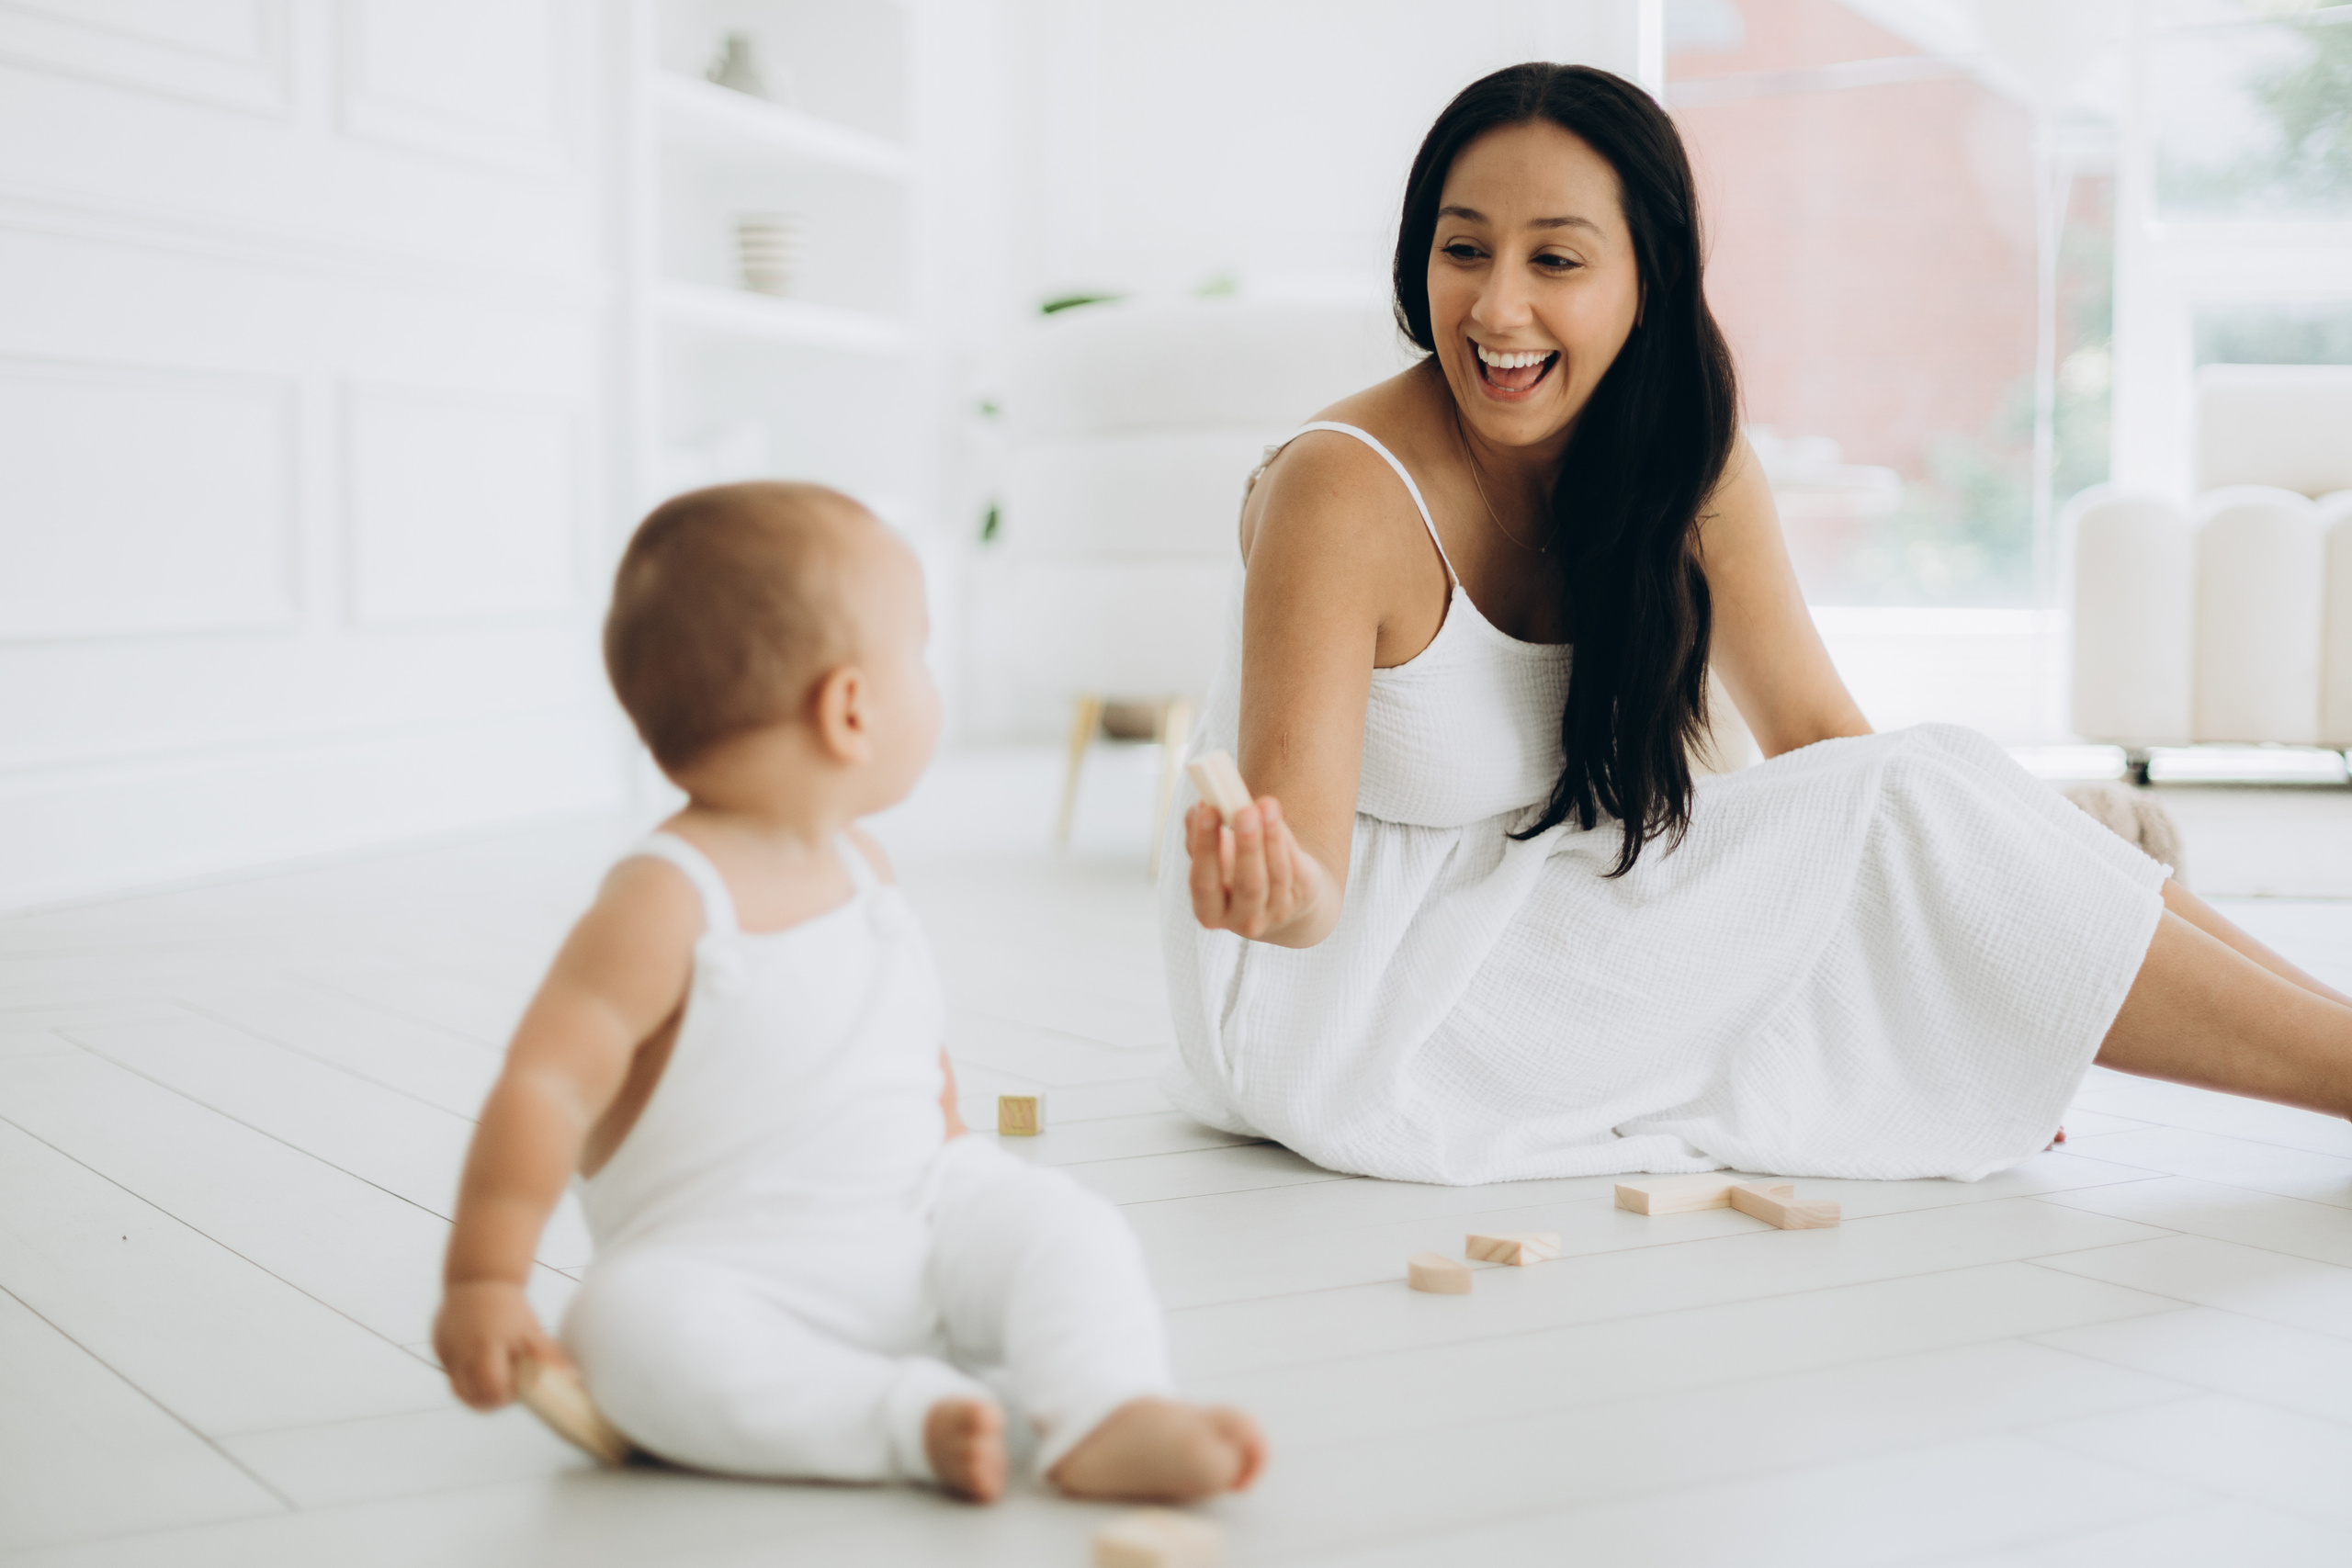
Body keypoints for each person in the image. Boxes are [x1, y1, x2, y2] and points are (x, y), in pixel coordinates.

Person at [1164, 62, 2352, 1188]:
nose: (1497, 305)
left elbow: (1822, 733)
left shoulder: (1684, 457)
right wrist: (1267, 887)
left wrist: (1986, 974)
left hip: (1539, 917)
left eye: (1558, 259)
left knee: (1932, 778)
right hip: (1346, 1008)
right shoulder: (1343, 490)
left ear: (1649, 278)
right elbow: (1306, 882)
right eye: (1462, 249)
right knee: (1912, 808)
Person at [435, 482, 1263, 1502]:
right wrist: (485, 1279)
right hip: (733, 1275)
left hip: (918, 1216)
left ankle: (1105, 1408)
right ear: (851, 709)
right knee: (620, 1330)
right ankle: (903, 1420)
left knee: (1063, 1224)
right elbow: (546, 1089)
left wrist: (962, 1166)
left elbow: (905, 1047)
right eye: (916, 653)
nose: (928, 676)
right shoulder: (664, 902)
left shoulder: (861, 866)